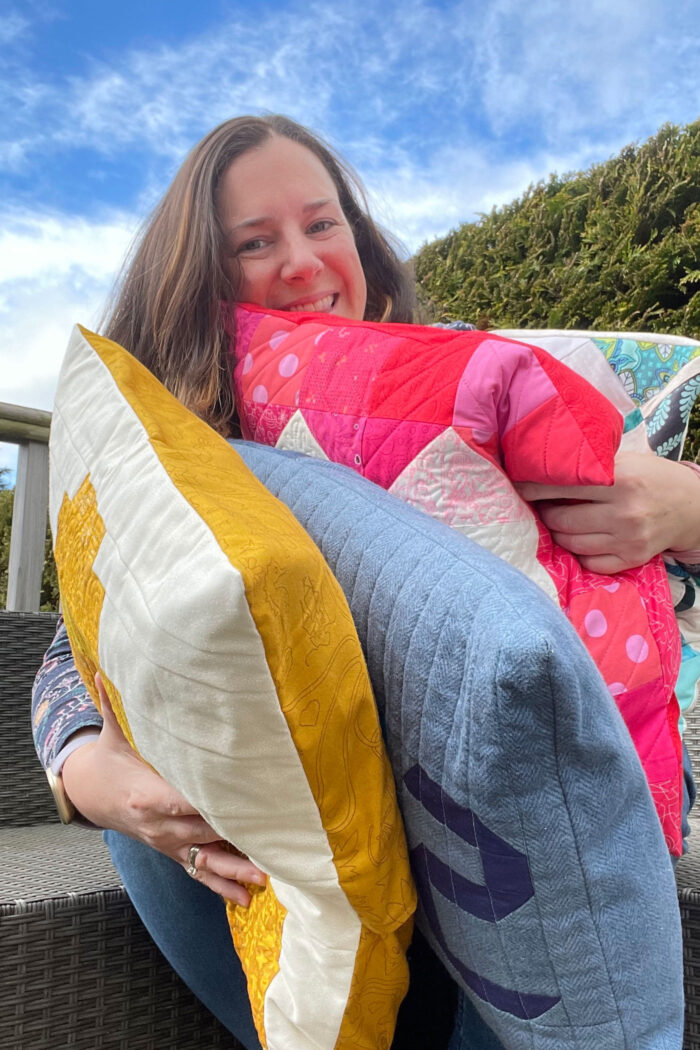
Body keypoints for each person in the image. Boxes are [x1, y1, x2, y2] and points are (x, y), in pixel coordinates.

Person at [32, 114, 700, 1050]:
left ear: (363, 240)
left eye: (323, 223)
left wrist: (685, 506)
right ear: (198, 280)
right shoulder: (176, 457)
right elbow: (73, 653)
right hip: (289, 851)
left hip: (505, 826)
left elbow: (639, 552)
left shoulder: (465, 371)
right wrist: (86, 772)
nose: (302, 262)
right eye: (255, 243)